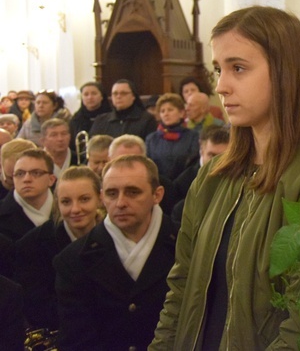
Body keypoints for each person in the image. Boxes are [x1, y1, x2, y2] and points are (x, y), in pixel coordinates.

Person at [150, 6, 300, 349]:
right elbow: (182, 286)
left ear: (284, 72)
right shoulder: (213, 175)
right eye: (218, 70)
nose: (222, 86)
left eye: (238, 68)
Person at [55, 155, 176, 351]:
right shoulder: (73, 259)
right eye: (112, 193)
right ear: (102, 197)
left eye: (132, 192)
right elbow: (76, 340)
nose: (120, 203)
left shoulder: (186, 247)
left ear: (157, 195)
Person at [14, 166, 103, 331]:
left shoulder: (117, 237)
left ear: (100, 198)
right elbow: (37, 309)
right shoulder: (32, 246)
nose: (75, 209)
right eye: (66, 202)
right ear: (57, 203)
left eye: (84, 199)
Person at [170, 125, 230, 226]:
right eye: (212, 155)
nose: (217, 162)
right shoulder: (184, 182)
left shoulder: (238, 180)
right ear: (201, 151)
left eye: (223, 156)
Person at [0, 149, 56, 242]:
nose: (26, 179)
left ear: (51, 179)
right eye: (20, 174)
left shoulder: (69, 209)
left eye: (36, 173)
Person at [145, 93, 200, 181]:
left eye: (170, 110)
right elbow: (149, 166)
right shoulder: (151, 139)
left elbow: (193, 165)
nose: (166, 114)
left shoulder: (193, 136)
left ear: (181, 113)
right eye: (162, 111)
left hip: (185, 186)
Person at [89, 79, 158, 140]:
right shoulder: (101, 120)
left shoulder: (147, 120)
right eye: (115, 94)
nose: (118, 96)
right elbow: (92, 147)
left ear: (133, 96)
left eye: (123, 93)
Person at [68, 81, 112, 153]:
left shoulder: (111, 117)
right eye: (86, 94)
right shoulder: (76, 119)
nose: (90, 97)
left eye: (94, 93)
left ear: (101, 96)